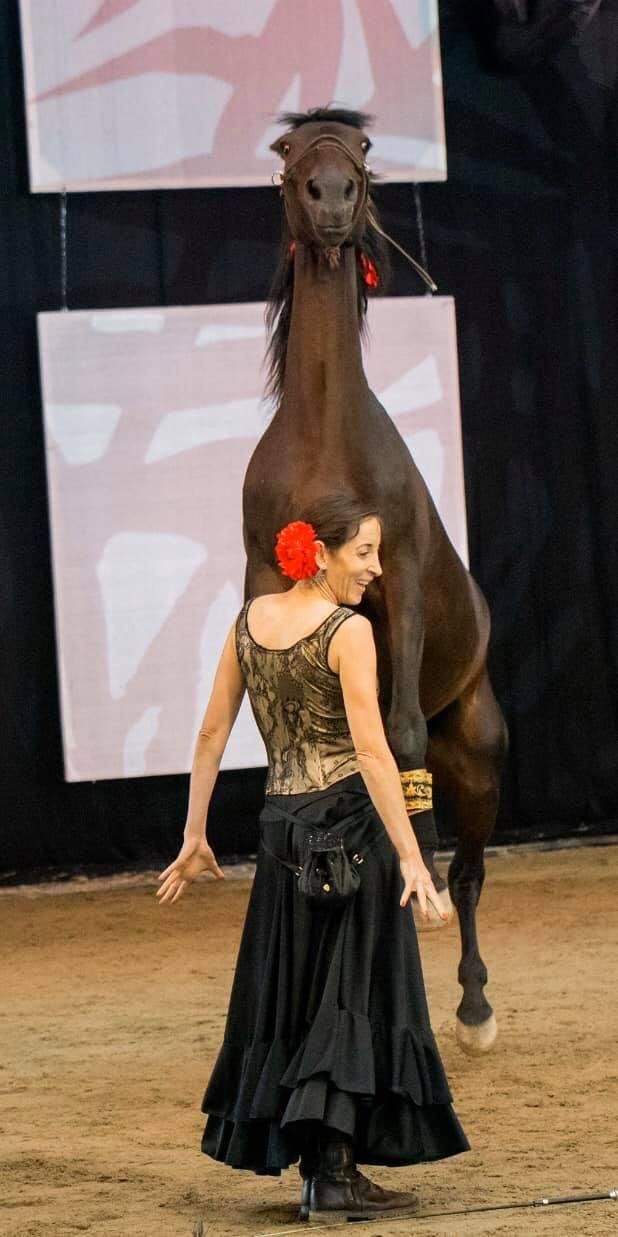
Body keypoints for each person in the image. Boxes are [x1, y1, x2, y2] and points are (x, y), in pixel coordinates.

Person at [158, 495, 469, 1221]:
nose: (377, 568)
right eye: (365, 551)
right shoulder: (346, 631)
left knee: (299, 992)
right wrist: (412, 857)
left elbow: (210, 733)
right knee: (350, 990)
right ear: (321, 552)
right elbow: (369, 750)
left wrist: (194, 832)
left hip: (281, 833)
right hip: (351, 831)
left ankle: (326, 1171)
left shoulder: (248, 622)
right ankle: (332, 1175)